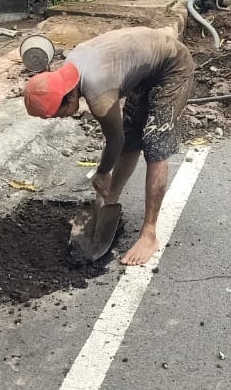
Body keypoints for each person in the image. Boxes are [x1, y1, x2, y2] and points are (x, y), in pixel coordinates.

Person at [23, 27, 195, 266]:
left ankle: (149, 234)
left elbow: (116, 140)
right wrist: (105, 177)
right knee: (132, 134)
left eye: (57, 114)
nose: (59, 118)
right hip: (146, 67)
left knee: (155, 145)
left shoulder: (99, 94)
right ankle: (108, 203)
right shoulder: (70, 66)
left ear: (70, 98)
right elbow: (124, 140)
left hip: (172, 65)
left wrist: (103, 172)